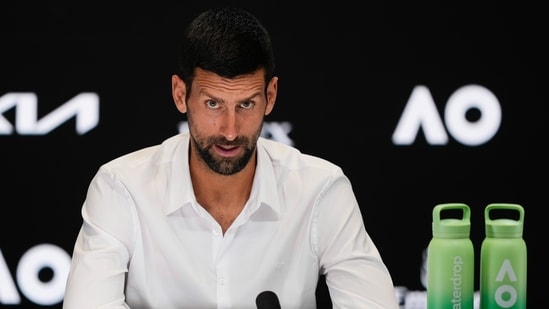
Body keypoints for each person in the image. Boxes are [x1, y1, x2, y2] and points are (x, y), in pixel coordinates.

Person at [62, 7, 399, 309]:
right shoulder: (121, 188)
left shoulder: (321, 189)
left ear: (271, 96)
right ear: (181, 95)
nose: (229, 130)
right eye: (213, 104)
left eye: (246, 104)